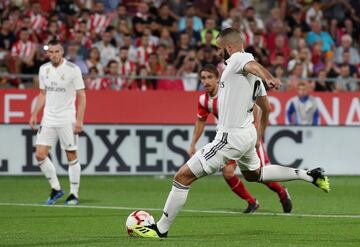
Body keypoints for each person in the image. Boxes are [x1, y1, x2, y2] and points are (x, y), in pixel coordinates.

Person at [133, 28, 329, 239]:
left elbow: (253, 65)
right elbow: (266, 108)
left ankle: (160, 229)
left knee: (182, 177)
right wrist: (258, 135)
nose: (218, 53)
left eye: (219, 49)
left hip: (229, 138)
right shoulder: (248, 75)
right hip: (247, 134)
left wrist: (270, 77)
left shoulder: (238, 59)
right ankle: (308, 175)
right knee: (256, 174)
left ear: (229, 47)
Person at [188, 64, 292, 213]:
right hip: (230, 139)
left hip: (247, 135)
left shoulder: (228, 93)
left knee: (259, 174)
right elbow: (200, 121)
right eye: (203, 78)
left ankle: (282, 192)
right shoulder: (204, 100)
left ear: (217, 78)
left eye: (210, 77)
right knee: (228, 173)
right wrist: (192, 144)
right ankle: (252, 202)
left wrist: (256, 132)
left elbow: (256, 107)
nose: (206, 81)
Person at [29, 39, 86, 205]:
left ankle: (74, 193)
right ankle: (56, 188)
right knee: (40, 155)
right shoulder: (43, 69)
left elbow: (82, 96)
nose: (53, 55)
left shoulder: (72, 70)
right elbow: (42, 93)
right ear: (47, 53)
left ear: (62, 52)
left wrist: (79, 120)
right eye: (51, 52)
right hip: (48, 117)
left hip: (67, 117)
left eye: (57, 51)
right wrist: (34, 114)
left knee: (71, 155)